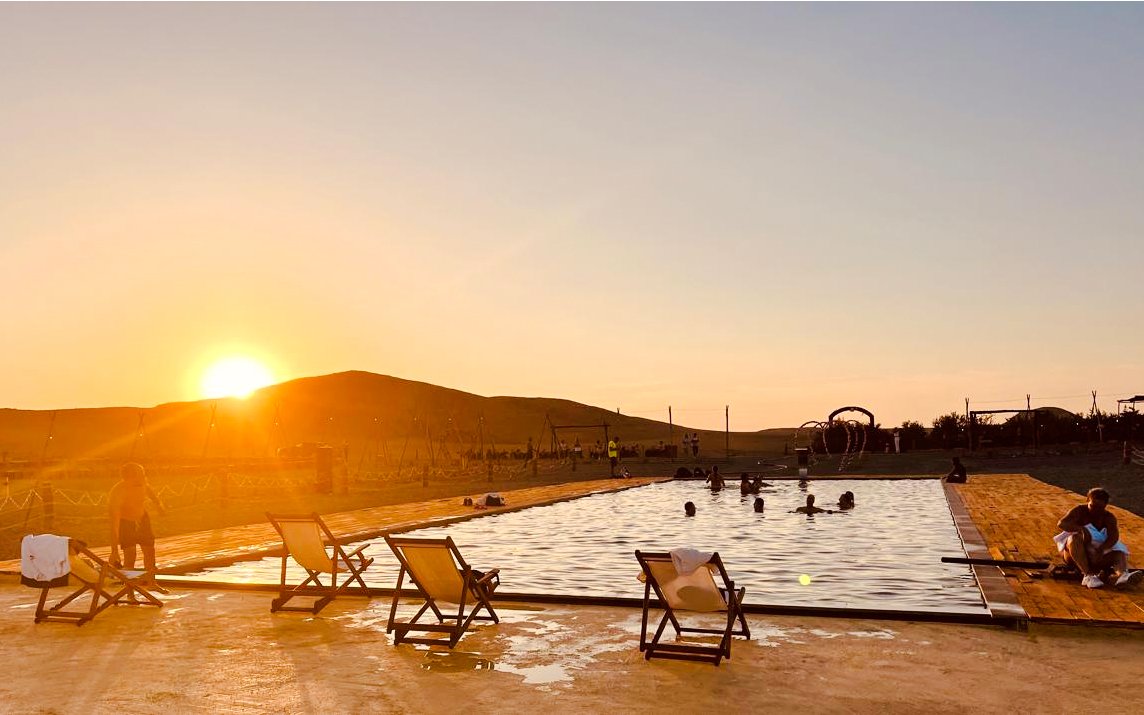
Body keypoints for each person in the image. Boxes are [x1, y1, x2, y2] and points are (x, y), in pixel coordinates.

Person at [1053, 488, 1142, 589]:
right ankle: (1088, 575)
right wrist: (1081, 529)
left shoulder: (1109, 517)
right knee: (1073, 538)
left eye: (1099, 508)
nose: (1095, 511)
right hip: (1074, 555)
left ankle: (1122, 575)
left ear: (1105, 505)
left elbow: (1114, 537)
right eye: (1092, 506)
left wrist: (1102, 549)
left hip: (1096, 556)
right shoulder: (1079, 511)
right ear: (1087, 500)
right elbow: (1062, 523)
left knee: (1118, 551)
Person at [108, 462, 166, 586]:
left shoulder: (142, 483)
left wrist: (158, 505)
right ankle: (129, 591)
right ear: (129, 477)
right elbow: (114, 524)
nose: (144, 477)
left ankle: (152, 583)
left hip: (142, 520)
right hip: (126, 523)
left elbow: (149, 491)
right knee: (130, 556)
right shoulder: (118, 492)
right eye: (141, 474)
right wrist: (114, 550)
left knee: (150, 551)